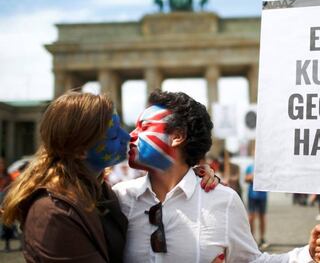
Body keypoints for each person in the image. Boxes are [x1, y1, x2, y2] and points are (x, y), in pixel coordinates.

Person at [114, 89, 320, 262]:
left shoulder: (223, 201)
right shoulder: (119, 199)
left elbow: (253, 261)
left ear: (177, 136)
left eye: (144, 128)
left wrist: (309, 253)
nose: (130, 135)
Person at [1, 91, 218, 263]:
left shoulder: (101, 192)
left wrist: (190, 173)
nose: (129, 136)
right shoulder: (53, 212)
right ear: (80, 150)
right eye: (114, 134)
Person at [245, 162, 268, 248]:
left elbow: (269, 179)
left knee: (262, 217)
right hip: (252, 195)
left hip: (263, 195)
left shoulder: (265, 167)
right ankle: (252, 238)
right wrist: (251, 177)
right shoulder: (250, 166)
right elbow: (245, 179)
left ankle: (262, 238)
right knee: (251, 217)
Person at [0, 157, 13, 252]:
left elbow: (10, 187)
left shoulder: (7, 176)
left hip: (4, 202)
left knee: (6, 224)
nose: (1, 165)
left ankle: (7, 245)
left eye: (2, 163)